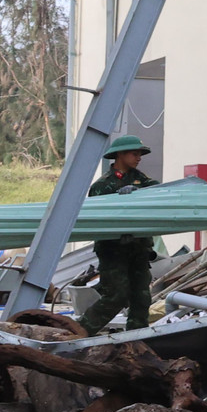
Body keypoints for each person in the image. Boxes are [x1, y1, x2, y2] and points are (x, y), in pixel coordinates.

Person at [80, 134, 159, 335]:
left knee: (141, 297)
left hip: (139, 248)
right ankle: (80, 331)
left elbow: (159, 193)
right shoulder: (101, 186)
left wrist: (139, 193)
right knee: (116, 296)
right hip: (113, 251)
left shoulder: (143, 181)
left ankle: (137, 338)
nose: (139, 158)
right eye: (134, 154)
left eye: (140, 154)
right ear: (120, 155)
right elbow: (97, 218)